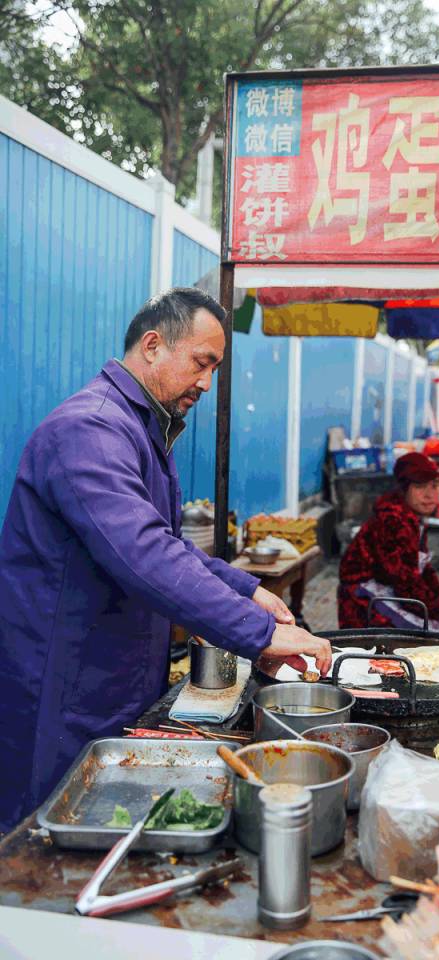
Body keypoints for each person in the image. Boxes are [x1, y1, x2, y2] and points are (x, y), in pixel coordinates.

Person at [0, 287, 332, 833]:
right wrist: (256, 632)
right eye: (202, 364)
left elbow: (167, 542)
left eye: (214, 369)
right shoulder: (90, 429)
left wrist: (247, 589)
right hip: (62, 684)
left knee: (105, 827)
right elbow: (142, 554)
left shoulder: (139, 428)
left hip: (111, 674)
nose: (206, 383)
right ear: (153, 345)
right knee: (47, 840)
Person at [338, 452, 439, 632]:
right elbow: (407, 584)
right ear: (404, 488)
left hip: (392, 591)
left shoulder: (413, 517)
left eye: (435, 485)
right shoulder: (393, 521)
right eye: (420, 486)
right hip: (364, 603)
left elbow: (423, 569)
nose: (430, 495)